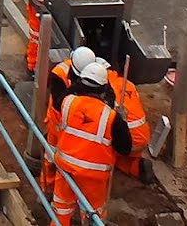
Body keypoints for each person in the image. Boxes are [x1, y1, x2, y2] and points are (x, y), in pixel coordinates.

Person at [51, 62, 131, 226]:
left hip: (66, 169)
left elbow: (61, 99)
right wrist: (122, 121)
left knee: (61, 208)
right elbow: (125, 148)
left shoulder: (67, 103)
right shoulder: (111, 117)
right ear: (104, 89)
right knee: (93, 213)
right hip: (93, 176)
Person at [43, 46, 98, 191]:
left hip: (76, 127)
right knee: (51, 159)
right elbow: (58, 102)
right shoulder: (59, 74)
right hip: (57, 124)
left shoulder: (91, 74)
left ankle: (67, 188)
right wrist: (77, 88)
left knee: (72, 161)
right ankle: (47, 188)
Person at [101, 58, 152, 182]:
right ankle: (137, 167)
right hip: (144, 137)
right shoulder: (128, 84)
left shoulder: (106, 91)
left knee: (101, 140)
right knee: (126, 157)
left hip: (127, 138)